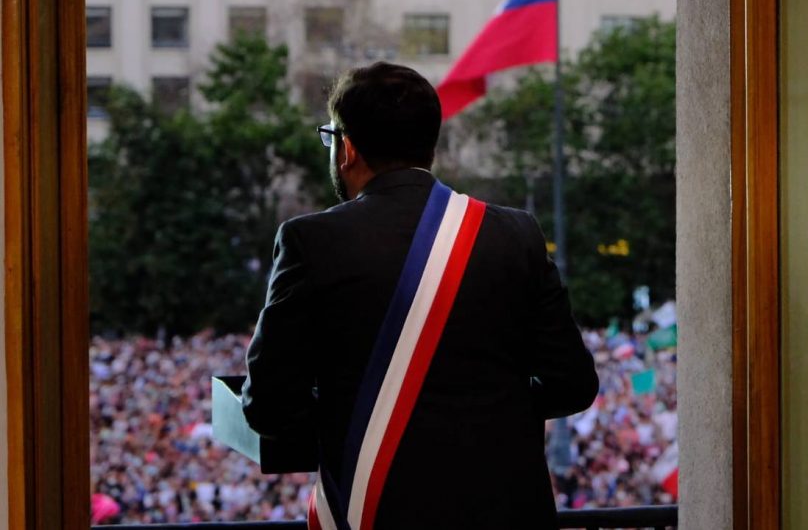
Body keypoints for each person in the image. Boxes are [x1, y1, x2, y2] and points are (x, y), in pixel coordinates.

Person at [241, 62, 598, 529]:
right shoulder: (516, 234)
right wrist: (485, 415)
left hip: (383, 510)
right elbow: (572, 382)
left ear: (346, 148)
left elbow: (267, 404)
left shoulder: (312, 242)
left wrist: (371, 420)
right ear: (429, 146)